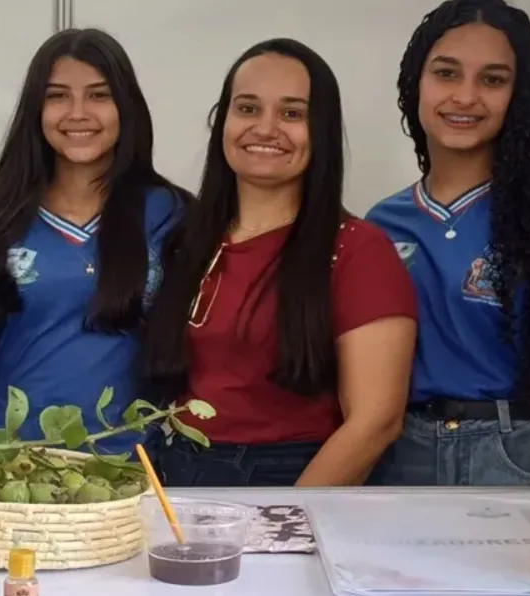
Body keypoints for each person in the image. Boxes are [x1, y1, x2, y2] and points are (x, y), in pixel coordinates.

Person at [139, 38, 419, 487]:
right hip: (175, 471)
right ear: (223, 122)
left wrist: (286, 516)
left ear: (321, 130)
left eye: (292, 114)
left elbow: (376, 422)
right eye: (247, 108)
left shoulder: (357, 249)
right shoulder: (186, 240)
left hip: (289, 477)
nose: (265, 128)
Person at [366, 0, 530, 486]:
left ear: (517, 95)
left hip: (520, 453)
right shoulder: (381, 223)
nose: (465, 97)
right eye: (446, 73)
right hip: (399, 453)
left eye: (493, 80)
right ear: (414, 82)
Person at [0, 28, 191, 455]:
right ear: (35, 108)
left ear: (127, 108)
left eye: (99, 95)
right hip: (7, 459)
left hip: (125, 462)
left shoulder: (171, 213)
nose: (78, 113)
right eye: (58, 96)